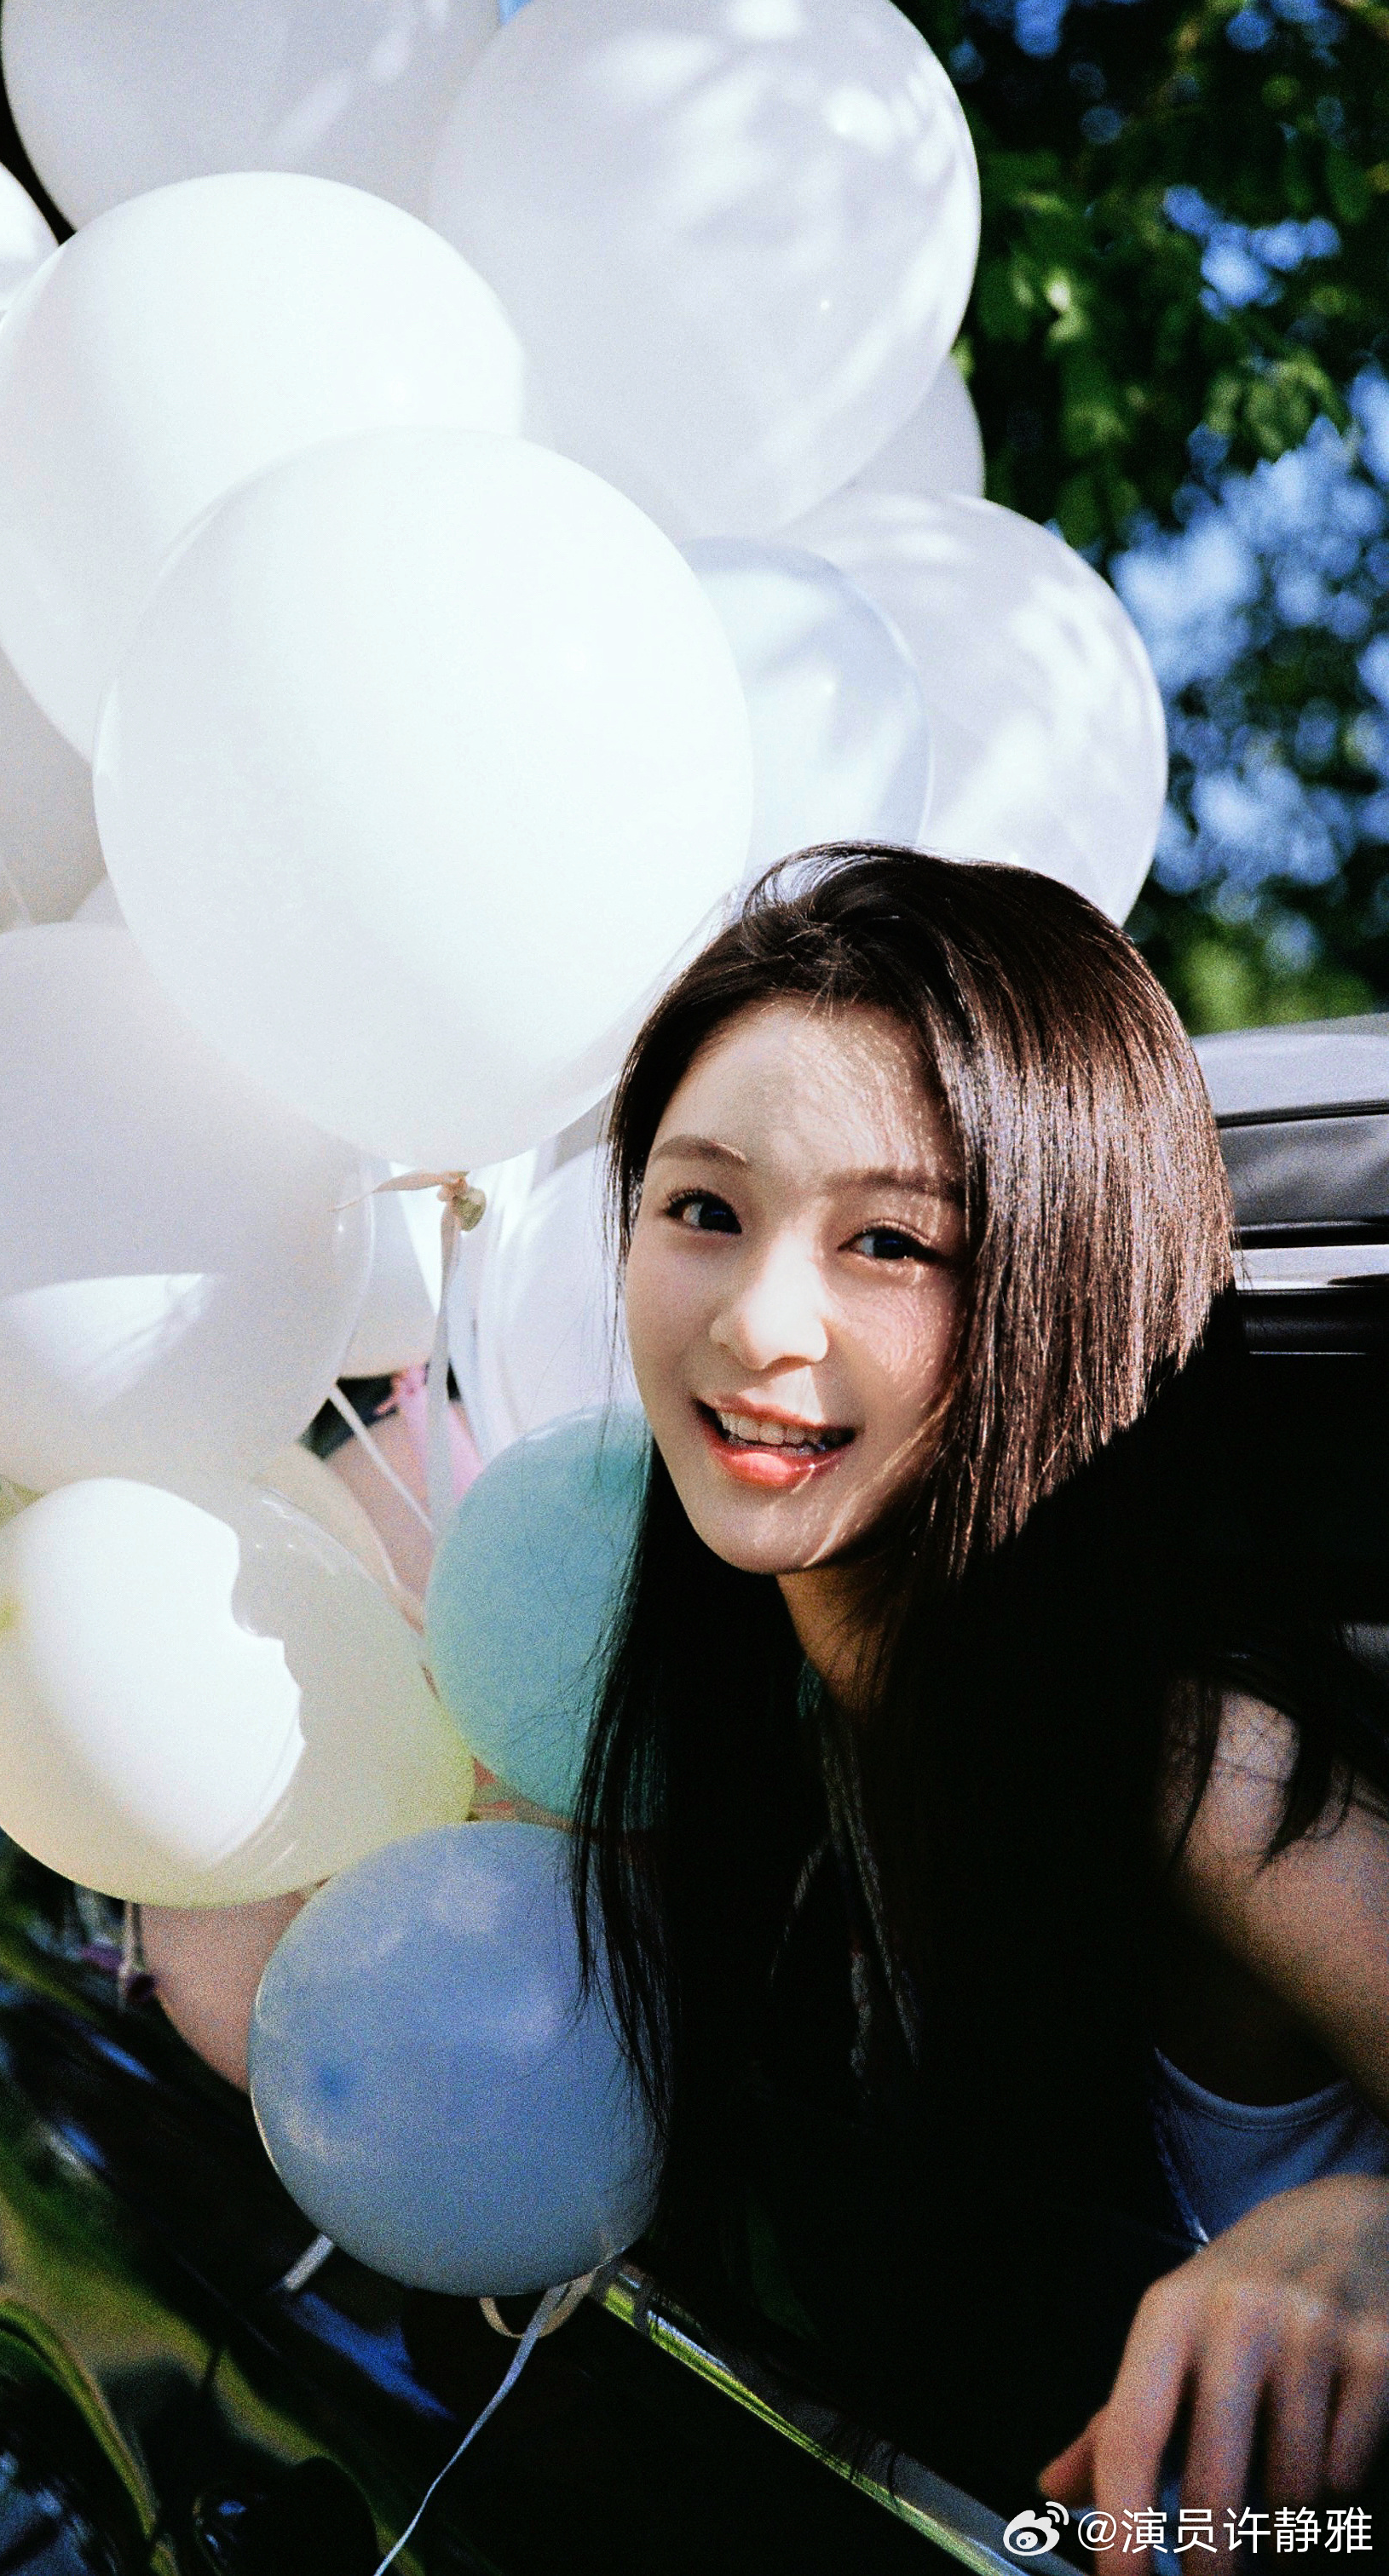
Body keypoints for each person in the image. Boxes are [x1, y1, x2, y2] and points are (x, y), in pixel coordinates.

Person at [573, 844, 1389, 2559]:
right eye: (703, 1208)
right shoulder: (734, 1697)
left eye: (891, 1242)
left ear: (1054, 1289)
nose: (760, 1325)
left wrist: (1366, 2236)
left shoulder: (1190, 1760)